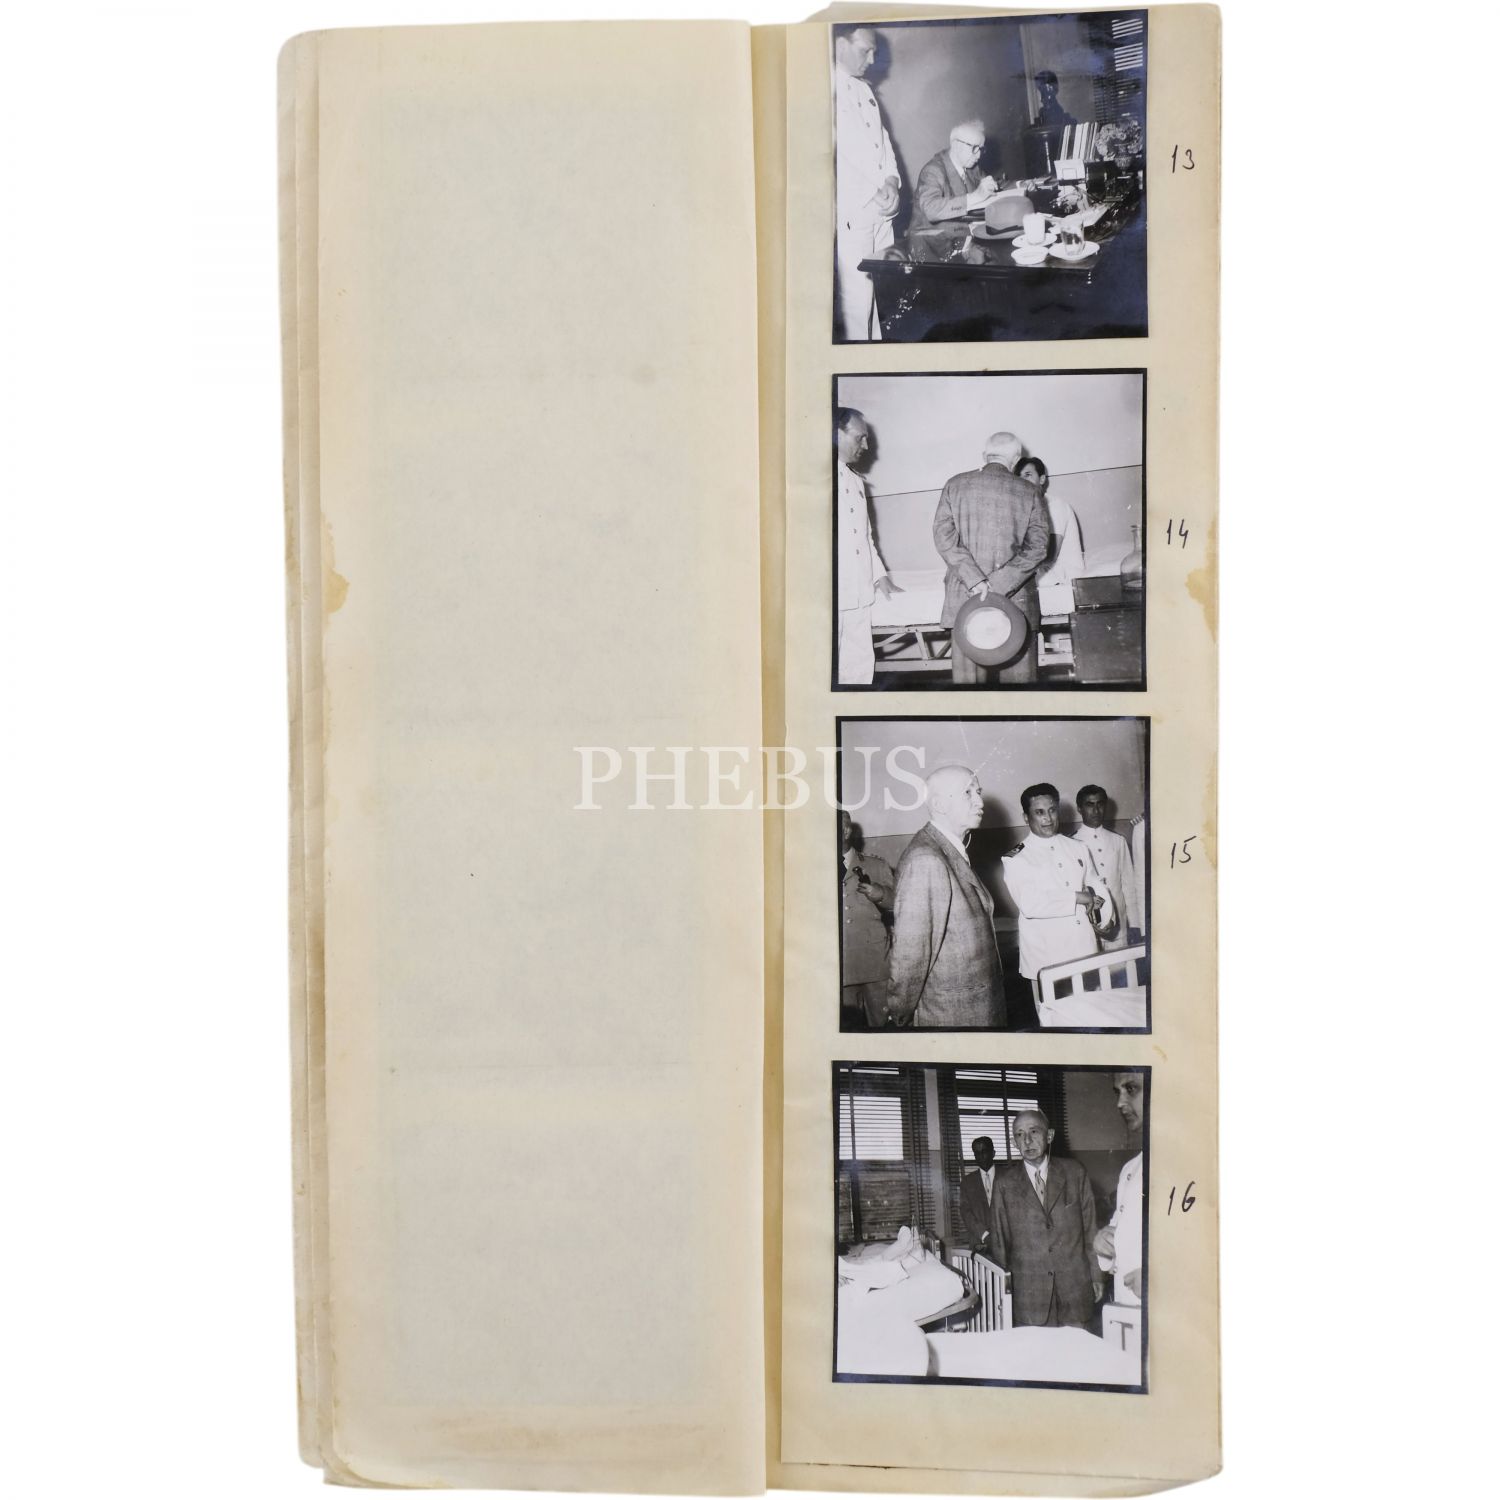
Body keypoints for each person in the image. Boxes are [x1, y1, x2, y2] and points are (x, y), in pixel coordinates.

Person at [887, 765, 1006, 1029]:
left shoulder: (949, 849)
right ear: (939, 804)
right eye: (968, 793)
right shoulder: (926, 859)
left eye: (978, 791)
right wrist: (899, 1015)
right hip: (950, 1013)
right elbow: (911, 954)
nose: (980, 801)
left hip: (975, 1006)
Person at [932, 432, 1051, 684]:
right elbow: (1039, 547)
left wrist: (976, 580)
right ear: (1016, 459)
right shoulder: (1030, 491)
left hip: (965, 599)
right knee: (1020, 691)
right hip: (1017, 602)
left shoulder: (954, 484)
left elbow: (944, 538)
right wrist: (998, 584)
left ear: (985, 455)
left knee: (968, 688)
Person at [1001, 782, 1114, 996]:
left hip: (1085, 949)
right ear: (1026, 817)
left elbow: (1095, 886)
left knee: (1093, 1009)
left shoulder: (1078, 847)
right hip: (1048, 956)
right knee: (1057, 1014)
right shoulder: (1017, 859)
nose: (1048, 818)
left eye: (1052, 810)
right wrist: (1079, 897)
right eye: (1039, 812)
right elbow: (1031, 905)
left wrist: (1105, 916)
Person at [992, 1109, 1102, 1327]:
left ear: (1049, 1135)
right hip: (1029, 1295)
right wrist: (1003, 1290)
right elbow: (999, 1243)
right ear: (1014, 1142)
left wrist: (1097, 1276)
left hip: (1075, 1289)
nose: (1027, 1140)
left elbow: (1091, 1229)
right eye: (1019, 1134)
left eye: (1034, 1131)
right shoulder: (1004, 1183)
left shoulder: (1074, 1172)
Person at [833, 27, 900, 340]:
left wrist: (892, 180)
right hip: (854, 212)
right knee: (859, 306)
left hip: (882, 213)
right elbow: (831, 158)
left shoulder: (864, 90)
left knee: (885, 296)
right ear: (840, 44)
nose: (872, 60)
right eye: (865, 51)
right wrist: (873, 192)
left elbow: (884, 144)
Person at [835, 408, 899, 685]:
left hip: (859, 592)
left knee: (859, 670)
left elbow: (866, 537)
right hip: (832, 593)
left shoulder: (856, 481)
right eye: (860, 437)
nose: (866, 446)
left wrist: (880, 576)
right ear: (836, 434)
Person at [840, 809, 896, 1026]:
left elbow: (898, 903)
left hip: (874, 963)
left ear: (846, 831)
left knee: (883, 1026)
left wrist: (880, 893)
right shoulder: (815, 869)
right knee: (847, 1028)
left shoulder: (876, 866)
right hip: (840, 966)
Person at [1095, 1072, 1145, 1306]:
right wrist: (1103, 1243)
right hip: (1125, 1309)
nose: (1119, 1103)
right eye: (1118, 1092)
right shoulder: (1130, 1169)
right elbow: (1119, 1230)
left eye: (1131, 1089)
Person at [1071, 784, 1141, 947]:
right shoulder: (1071, 843)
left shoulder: (1118, 841)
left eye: (1100, 804)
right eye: (1089, 805)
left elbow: (1129, 886)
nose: (1096, 810)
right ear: (1079, 808)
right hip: (1088, 927)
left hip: (1119, 927)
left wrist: (1135, 925)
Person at [1018, 456, 1085, 601]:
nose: (1022, 481)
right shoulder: (1028, 508)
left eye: (1028, 475)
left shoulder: (1055, 505)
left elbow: (1050, 554)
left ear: (1042, 479)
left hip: (1064, 575)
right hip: (1046, 570)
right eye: (1019, 476)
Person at [958, 1134, 1002, 1262]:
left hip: (1007, 1244)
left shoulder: (1009, 1176)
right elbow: (966, 1213)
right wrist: (984, 1235)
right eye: (976, 1153)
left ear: (993, 1153)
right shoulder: (967, 1182)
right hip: (980, 1245)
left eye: (984, 1151)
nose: (980, 1156)